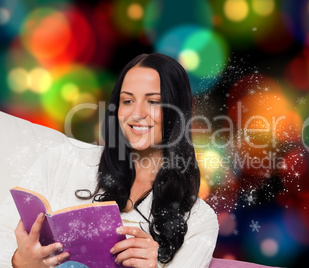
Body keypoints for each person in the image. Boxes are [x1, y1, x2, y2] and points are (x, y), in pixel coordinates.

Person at [0, 53, 219, 267]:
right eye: (127, 100)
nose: (136, 113)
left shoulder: (200, 221)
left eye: (153, 102)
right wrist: (20, 262)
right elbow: (4, 238)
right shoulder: (62, 160)